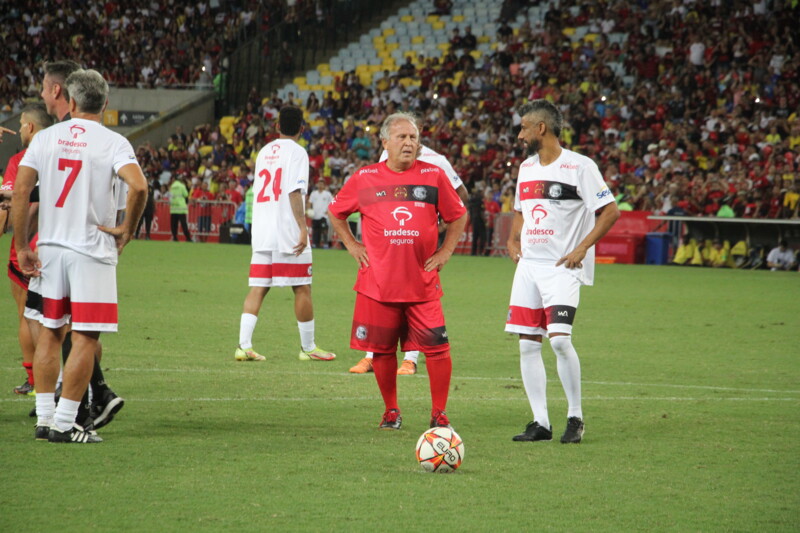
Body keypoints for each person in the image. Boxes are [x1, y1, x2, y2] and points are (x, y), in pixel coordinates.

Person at [11, 68, 147, 443]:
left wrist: (23, 246)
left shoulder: (45, 138)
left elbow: (21, 192)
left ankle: (44, 419)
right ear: (105, 104)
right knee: (85, 335)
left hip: (50, 248)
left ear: (69, 102)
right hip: (91, 250)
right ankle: (67, 423)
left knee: (51, 334)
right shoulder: (114, 142)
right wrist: (128, 229)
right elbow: (138, 186)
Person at [328, 112, 467, 430]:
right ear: (385, 142)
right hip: (378, 284)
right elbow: (336, 213)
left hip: (422, 282)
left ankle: (439, 413)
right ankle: (391, 411)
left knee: (437, 348)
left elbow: (458, 215)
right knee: (382, 350)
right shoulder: (364, 178)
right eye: (402, 137)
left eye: (414, 138)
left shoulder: (433, 176)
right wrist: (352, 245)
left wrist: (446, 251)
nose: (409, 143)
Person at [505, 100, 620, 444]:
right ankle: (541, 422)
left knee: (559, 340)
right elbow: (520, 210)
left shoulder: (579, 167)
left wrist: (582, 248)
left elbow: (610, 211)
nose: (520, 133)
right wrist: (512, 239)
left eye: (524, 127)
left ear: (542, 128)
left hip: (562, 268)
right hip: (529, 268)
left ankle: (575, 417)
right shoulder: (526, 168)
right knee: (527, 345)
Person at [349, 141, 469, 376]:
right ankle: (371, 356)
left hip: (417, 247)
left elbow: (461, 195)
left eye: (411, 134)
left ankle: (410, 360)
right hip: (386, 247)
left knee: (415, 299)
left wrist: (441, 225)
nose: (407, 140)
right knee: (382, 299)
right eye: (401, 134)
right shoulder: (387, 153)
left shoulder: (438, 161)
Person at [235, 105, 335, 363]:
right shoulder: (298, 153)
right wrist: (303, 228)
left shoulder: (264, 152)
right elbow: (293, 191)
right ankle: (308, 348)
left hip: (263, 230)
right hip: (287, 229)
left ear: (277, 126)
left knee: (258, 287)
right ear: (302, 129)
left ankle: (243, 346)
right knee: (302, 286)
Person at [0, 104, 53, 395]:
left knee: (27, 315)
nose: (19, 129)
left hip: (25, 246)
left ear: (30, 127)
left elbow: (8, 206)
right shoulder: (63, 153)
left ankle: (35, 381)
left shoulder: (21, 159)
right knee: (62, 319)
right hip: (61, 244)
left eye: (21, 124)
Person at [307, 180, 333, 248]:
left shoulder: (327, 194)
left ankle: (325, 244)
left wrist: (328, 211)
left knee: (324, 230)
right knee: (315, 230)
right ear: (317, 185)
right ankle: (315, 244)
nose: (320, 185)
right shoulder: (313, 193)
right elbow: (310, 202)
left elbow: (332, 203)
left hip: (323, 215)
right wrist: (309, 210)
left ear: (324, 186)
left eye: (322, 184)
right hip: (315, 215)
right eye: (319, 184)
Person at [169, 175, 192, 241]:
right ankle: (188, 238)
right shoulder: (182, 186)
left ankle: (175, 237)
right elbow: (186, 194)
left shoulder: (172, 187)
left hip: (173, 208)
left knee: (174, 224)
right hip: (181, 208)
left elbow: (170, 197)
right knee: (184, 224)